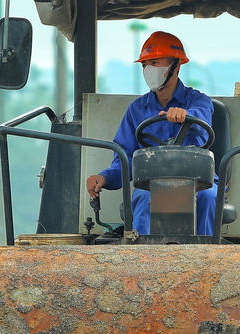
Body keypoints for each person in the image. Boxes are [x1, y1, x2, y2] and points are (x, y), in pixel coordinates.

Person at [85, 31, 218, 235]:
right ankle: (143, 261)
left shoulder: (199, 101)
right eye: (145, 65)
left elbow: (201, 120)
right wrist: (103, 178)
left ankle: (205, 259)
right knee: (145, 197)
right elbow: (125, 158)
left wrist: (185, 115)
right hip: (151, 183)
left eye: (155, 63)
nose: (149, 70)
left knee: (208, 198)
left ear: (176, 65)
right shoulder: (136, 110)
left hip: (196, 181)